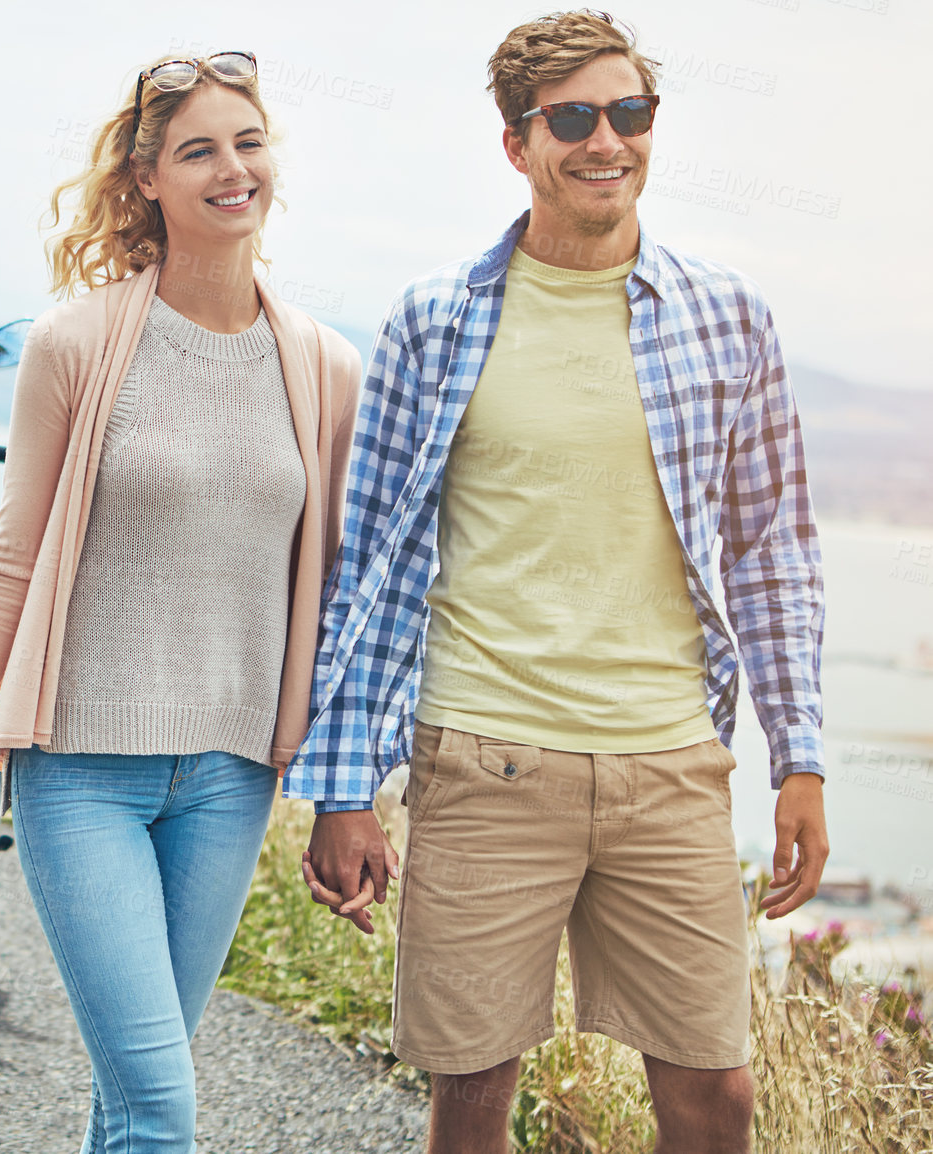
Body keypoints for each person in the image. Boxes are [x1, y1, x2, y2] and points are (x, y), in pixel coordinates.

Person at [291, 11, 829, 1153]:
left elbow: (772, 548)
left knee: (715, 1092)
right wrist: (343, 784)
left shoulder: (727, 317)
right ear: (515, 142)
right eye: (573, 118)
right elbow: (374, 562)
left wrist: (801, 753)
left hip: (670, 763)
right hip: (485, 756)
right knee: (473, 1088)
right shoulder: (438, 320)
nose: (606, 141)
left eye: (629, 113)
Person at [0, 50, 361, 1154]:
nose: (232, 169)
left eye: (247, 142)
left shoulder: (325, 366)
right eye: (198, 151)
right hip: (81, 771)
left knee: (136, 1091)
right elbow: (7, 565)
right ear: (146, 179)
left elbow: (338, 594)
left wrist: (343, 788)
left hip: (229, 777)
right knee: (158, 1108)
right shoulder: (76, 344)